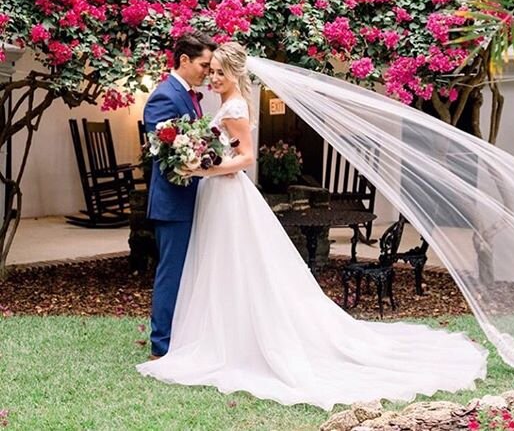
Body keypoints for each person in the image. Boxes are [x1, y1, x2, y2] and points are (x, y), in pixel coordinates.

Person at [137, 42, 487, 410]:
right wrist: (199, 165)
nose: (213, 76)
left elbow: (245, 157)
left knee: (234, 265)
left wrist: (203, 168)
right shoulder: (207, 101)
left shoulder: (234, 106)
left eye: (219, 71)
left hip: (223, 193)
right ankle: (200, 336)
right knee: (213, 266)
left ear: (235, 72)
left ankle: (220, 340)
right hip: (209, 197)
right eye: (211, 70)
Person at [143, 31, 215, 360]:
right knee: (171, 272)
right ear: (184, 60)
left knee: (186, 272)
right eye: (203, 64)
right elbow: (165, 153)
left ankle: (182, 337)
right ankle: (162, 346)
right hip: (173, 204)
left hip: (190, 200)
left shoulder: (188, 95)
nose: (207, 71)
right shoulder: (165, 96)